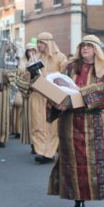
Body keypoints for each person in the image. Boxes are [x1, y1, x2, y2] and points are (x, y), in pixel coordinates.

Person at [47, 35, 104, 207]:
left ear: (96, 49)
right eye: (83, 46)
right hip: (69, 122)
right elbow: (56, 88)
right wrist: (54, 100)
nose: (85, 49)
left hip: (93, 122)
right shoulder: (70, 67)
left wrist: (79, 93)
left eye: (89, 46)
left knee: (101, 160)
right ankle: (78, 200)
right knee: (72, 161)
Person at [30, 32, 67, 164]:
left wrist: (50, 76)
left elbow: (65, 77)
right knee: (38, 123)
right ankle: (40, 151)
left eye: (41, 42)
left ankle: (49, 153)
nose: (39, 45)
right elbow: (26, 75)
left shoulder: (61, 57)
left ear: (48, 43)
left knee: (53, 125)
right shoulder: (34, 58)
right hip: (38, 94)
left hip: (54, 95)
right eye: (38, 42)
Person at [17, 43, 37, 149]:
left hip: (39, 94)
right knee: (29, 119)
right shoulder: (22, 63)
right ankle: (33, 144)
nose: (32, 53)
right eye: (30, 50)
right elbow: (19, 79)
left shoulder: (39, 61)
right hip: (28, 94)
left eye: (34, 50)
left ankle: (39, 143)